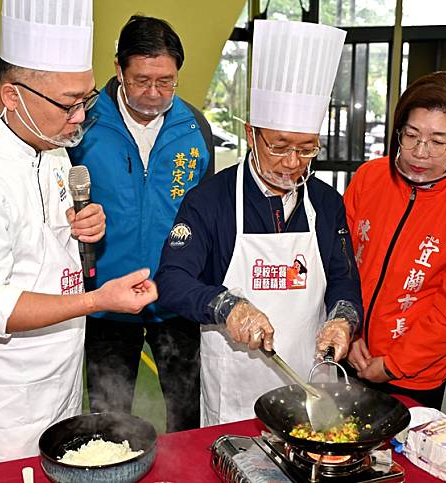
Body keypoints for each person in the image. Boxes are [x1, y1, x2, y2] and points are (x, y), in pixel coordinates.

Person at [0, 0, 157, 470]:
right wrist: (97, 300)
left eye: (87, 101)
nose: (79, 118)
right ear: (12, 96)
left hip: (60, 373)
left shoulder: (49, 147)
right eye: (69, 104)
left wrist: (85, 230)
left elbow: (43, 243)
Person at [155, 20, 363, 426]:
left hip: (307, 386)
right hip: (234, 394)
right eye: (280, 146)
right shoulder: (210, 200)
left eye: (306, 149)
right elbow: (172, 281)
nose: (292, 163)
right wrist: (227, 306)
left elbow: (343, 277)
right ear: (251, 134)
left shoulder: (325, 202)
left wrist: (343, 317)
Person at [67, 15, 213, 432]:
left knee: (187, 414)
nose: (153, 94)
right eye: (141, 81)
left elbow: (203, 217)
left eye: (166, 82)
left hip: (176, 298)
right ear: (118, 70)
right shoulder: (84, 124)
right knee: (107, 417)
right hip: (106, 299)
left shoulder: (194, 128)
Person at [344, 71, 446, 410]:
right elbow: (339, 262)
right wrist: (349, 330)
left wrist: (392, 364)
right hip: (349, 354)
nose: (420, 152)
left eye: (439, 141)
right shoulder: (370, 178)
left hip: (414, 378)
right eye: (411, 135)